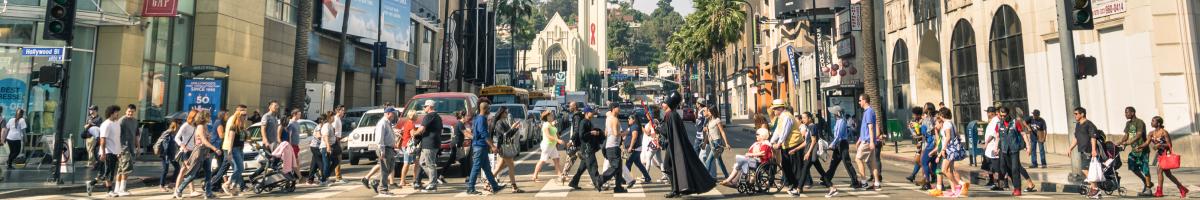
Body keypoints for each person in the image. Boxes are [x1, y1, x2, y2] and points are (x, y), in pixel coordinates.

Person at [660, 92, 717, 198]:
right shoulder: (672, 114)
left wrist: (658, 129)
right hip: (673, 145)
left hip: (674, 146)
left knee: (668, 166)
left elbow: (667, 132)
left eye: (664, 102)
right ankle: (675, 190)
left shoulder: (671, 115)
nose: (662, 104)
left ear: (669, 103)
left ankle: (675, 190)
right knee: (669, 166)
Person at [175, 110, 222, 199]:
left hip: (205, 153)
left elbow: (206, 140)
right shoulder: (200, 127)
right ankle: (179, 190)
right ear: (204, 117)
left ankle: (208, 193)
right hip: (199, 152)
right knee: (193, 174)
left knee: (208, 173)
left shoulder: (205, 126)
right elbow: (203, 141)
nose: (210, 117)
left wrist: (208, 152)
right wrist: (215, 149)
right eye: (208, 116)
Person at [465, 101, 506, 195]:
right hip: (479, 147)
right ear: (485, 109)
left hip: (480, 147)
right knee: (476, 168)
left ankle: (495, 186)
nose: (489, 110)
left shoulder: (478, 118)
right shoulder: (482, 119)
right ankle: (470, 188)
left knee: (487, 169)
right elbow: (484, 134)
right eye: (488, 108)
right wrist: (493, 146)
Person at [823, 107, 861, 197]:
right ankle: (826, 179)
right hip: (838, 145)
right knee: (833, 163)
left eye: (834, 113)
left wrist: (832, 144)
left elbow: (839, 135)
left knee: (847, 163)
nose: (833, 114)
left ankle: (855, 181)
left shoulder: (842, 121)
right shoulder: (838, 121)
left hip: (842, 144)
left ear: (838, 113)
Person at [1147, 116, 1189, 198]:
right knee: (1168, 174)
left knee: (1159, 170)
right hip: (1160, 155)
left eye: (1153, 121)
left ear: (1158, 123)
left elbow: (1170, 145)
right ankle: (1182, 188)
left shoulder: (1164, 132)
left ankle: (1159, 191)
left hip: (1165, 154)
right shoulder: (1152, 133)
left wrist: (1160, 144)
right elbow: (1148, 142)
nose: (1151, 123)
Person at [1117, 107, 1153, 196]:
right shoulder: (1128, 123)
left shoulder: (1139, 122)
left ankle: (1148, 189)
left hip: (1142, 149)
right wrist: (1120, 142)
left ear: (1132, 113)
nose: (1126, 114)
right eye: (1125, 113)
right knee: (1133, 167)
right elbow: (1126, 135)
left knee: (1145, 169)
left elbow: (1139, 135)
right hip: (1134, 150)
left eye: (1127, 113)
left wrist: (1129, 142)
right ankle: (1146, 181)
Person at [211, 110, 247, 196]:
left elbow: (242, 139)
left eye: (246, 115)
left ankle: (233, 188)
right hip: (233, 149)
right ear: (238, 116)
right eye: (243, 115)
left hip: (240, 149)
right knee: (239, 168)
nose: (245, 116)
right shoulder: (233, 127)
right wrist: (230, 152)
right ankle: (227, 184)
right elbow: (231, 140)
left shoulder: (242, 127)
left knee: (239, 169)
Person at [1067, 107, 1101, 199]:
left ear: (1082, 114)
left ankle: (1095, 189)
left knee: (1085, 170)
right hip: (1082, 150)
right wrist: (1070, 148)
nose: (1075, 115)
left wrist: (1094, 150)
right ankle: (1094, 188)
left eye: (1076, 114)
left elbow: (1093, 137)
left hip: (1089, 150)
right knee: (1087, 170)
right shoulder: (1078, 125)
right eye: (1074, 114)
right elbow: (1076, 138)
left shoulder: (1089, 124)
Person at [996, 107, 1031, 196]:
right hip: (1004, 150)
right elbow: (997, 136)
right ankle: (1015, 186)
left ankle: (1018, 189)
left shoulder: (1015, 123)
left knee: (1015, 168)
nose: (1003, 117)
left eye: (1004, 115)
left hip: (1014, 149)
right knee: (1008, 169)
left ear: (1008, 114)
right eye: (1001, 115)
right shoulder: (999, 124)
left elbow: (1023, 134)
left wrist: (1028, 146)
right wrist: (996, 148)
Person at [933, 107, 968, 197]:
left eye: (939, 115)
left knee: (944, 170)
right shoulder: (951, 122)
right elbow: (957, 135)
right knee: (950, 170)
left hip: (949, 150)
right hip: (951, 149)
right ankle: (954, 190)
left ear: (942, 115)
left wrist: (943, 149)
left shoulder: (947, 124)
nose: (939, 117)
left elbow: (948, 137)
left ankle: (958, 186)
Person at [490, 107, 525, 193]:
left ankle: (487, 182)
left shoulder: (504, 122)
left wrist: (515, 128)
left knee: (499, 167)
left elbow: (509, 134)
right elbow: (504, 135)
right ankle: (514, 187)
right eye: (505, 112)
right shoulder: (499, 123)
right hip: (503, 147)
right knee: (511, 166)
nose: (507, 114)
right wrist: (512, 127)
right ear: (501, 113)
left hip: (505, 146)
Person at [567, 106, 602, 192]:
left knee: (582, 167)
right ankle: (597, 183)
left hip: (588, 147)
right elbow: (581, 135)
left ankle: (574, 182)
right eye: (591, 112)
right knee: (593, 165)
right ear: (587, 113)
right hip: (586, 148)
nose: (593, 113)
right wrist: (591, 132)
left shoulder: (588, 122)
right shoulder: (583, 122)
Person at [412, 101, 442, 192]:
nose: (424, 108)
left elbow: (421, 129)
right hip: (433, 143)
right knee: (423, 162)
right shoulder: (438, 117)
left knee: (430, 164)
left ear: (430, 106)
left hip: (429, 143)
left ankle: (433, 184)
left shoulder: (429, 116)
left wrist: (414, 133)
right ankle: (433, 180)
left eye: (425, 106)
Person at [855, 94, 882, 191]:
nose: (859, 102)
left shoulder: (869, 111)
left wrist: (871, 142)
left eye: (860, 100)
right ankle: (877, 183)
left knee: (858, 159)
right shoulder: (867, 111)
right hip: (866, 140)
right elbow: (865, 128)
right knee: (872, 163)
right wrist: (859, 140)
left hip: (867, 141)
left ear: (865, 101)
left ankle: (864, 182)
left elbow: (870, 127)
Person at [169, 110, 199, 196]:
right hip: (185, 151)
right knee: (190, 170)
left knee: (183, 171)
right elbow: (177, 138)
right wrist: (183, 146)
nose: (198, 118)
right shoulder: (185, 125)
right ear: (193, 116)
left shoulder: (195, 126)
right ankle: (188, 191)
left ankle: (179, 191)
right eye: (197, 116)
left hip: (193, 151)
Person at [93, 106, 121, 196]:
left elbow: (116, 139)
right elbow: (102, 140)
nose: (118, 114)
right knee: (109, 173)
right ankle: (109, 191)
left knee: (107, 173)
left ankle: (91, 183)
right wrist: (103, 153)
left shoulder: (116, 123)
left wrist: (119, 151)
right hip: (107, 152)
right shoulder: (106, 124)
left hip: (115, 151)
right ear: (111, 113)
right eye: (116, 112)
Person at [600, 104, 628, 193]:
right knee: (615, 167)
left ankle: (618, 188)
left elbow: (606, 132)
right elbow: (616, 134)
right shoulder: (615, 119)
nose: (619, 109)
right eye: (618, 107)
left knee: (619, 169)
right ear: (613, 109)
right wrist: (625, 133)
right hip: (613, 146)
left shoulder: (608, 118)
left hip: (610, 146)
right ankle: (601, 179)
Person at [371, 108, 399, 195]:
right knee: (385, 169)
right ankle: (383, 189)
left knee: (389, 169)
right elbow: (380, 138)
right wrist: (382, 150)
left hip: (389, 148)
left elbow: (388, 136)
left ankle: (376, 181)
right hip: (385, 149)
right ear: (388, 113)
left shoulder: (387, 123)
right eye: (393, 114)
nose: (394, 116)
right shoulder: (382, 123)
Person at [531, 111, 564, 183]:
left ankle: (560, 176)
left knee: (556, 159)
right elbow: (548, 136)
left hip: (552, 145)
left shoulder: (550, 124)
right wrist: (558, 140)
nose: (552, 116)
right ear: (547, 117)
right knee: (542, 160)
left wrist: (557, 138)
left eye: (552, 115)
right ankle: (534, 175)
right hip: (547, 145)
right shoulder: (546, 125)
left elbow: (554, 132)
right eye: (551, 115)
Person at [702, 107, 731, 179]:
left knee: (708, 161)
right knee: (719, 162)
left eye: (708, 111)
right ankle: (727, 176)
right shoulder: (709, 121)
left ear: (712, 112)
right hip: (712, 143)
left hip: (717, 143)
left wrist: (726, 143)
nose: (707, 112)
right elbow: (708, 134)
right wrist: (704, 143)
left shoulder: (717, 120)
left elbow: (722, 132)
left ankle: (705, 179)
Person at [624, 115, 651, 187]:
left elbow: (634, 137)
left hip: (634, 149)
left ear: (633, 119)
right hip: (636, 149)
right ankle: (647, 177)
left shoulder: (635, 126)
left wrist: (630, 147)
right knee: (638, 164)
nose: (628, 120)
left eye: (629, 118)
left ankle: (628, 180)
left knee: (628, 164)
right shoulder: (634, 126)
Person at [155, 121, 181, 192]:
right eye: (178, 127)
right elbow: (162, 141)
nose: (179, 128)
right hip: (165, 154)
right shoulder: (168, 132)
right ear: (175, 127)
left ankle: (172, 183)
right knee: (165, 170)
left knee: (177, 167)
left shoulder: (174, 134)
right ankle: (161, 185)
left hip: (172, 154)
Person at [982, 107, 1004, 190]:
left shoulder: (996, 121)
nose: (987, 114)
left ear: (992, 113)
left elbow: (993, 134)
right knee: (990, 166)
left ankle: (1000, 184)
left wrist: (986, 143)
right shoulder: (992, 121)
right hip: (989, 148)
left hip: (993, 147)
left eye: (988, 112)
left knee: (996, 167)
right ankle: (995, 182)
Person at [308, 114, 326, 185]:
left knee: (314, 164)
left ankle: (310, 179)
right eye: (325, 120)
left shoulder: (323, 126)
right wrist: (326, 138)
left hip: (317, 147)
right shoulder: (319, 127)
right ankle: (323, 179)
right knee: (321, 163)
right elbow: (318, 136)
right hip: (315, 147)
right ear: (322, 121)